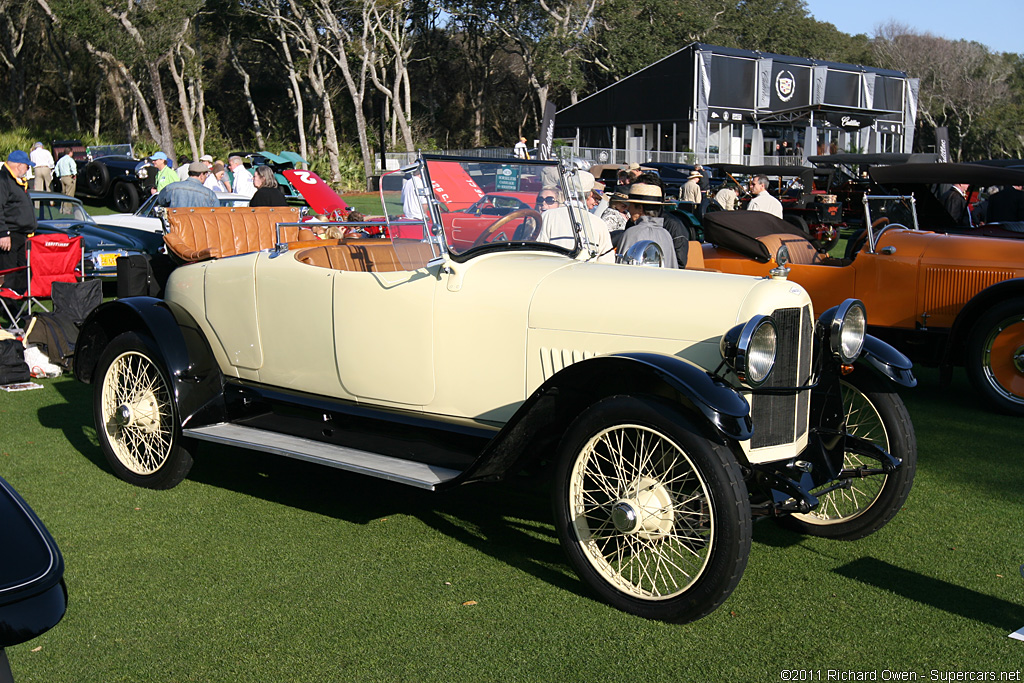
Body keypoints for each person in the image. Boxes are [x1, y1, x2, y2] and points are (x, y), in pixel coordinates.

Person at [535, 172, 615, 263]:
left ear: (565, 192)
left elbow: (539, 253)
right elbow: (607, 262)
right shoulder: (599, 223)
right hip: (587, 275)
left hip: (555, 274)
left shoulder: (548, 216)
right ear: (589, 195)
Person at [0, 150, 38, 293]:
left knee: (24, 272)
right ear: (19, 165)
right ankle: (8, 306)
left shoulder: (17, 182)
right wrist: (3, 232)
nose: (28, 169)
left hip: (23, 236)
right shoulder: (3, 180)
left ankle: (21, 303)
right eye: (27, 166)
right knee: (8, 272)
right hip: (10, 235)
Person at [617, 182, 679, 268]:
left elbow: (621, 269)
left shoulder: (632, 233)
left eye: (630, 205)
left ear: (640, 208)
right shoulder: (666, 235)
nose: (628, 209)